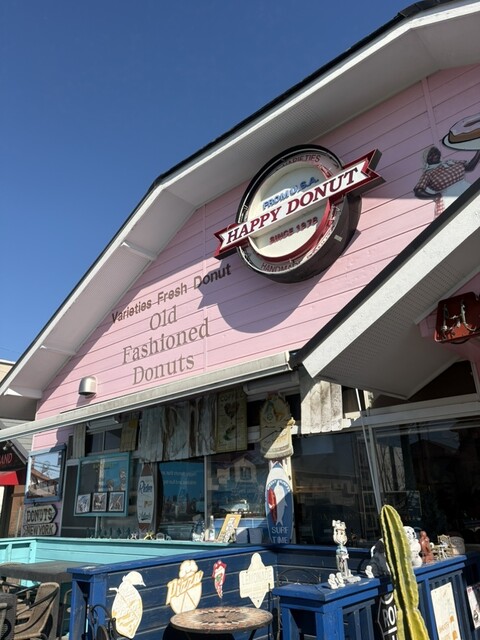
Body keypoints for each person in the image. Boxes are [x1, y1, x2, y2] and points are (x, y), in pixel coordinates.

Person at [414, 146, 480, 217]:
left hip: (466, 190)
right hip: (449, 199)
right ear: (426, 159)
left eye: (436, 152)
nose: (434, 155)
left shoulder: (450, 163)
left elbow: (469, 166)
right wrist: (434, 196)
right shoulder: (428, 173)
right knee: (460, 217)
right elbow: (418, 191)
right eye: (431, 154)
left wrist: (478, 151)